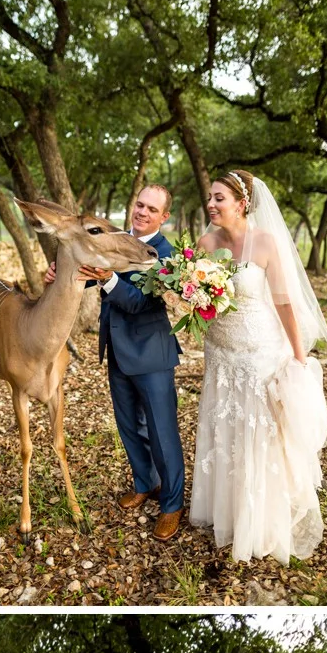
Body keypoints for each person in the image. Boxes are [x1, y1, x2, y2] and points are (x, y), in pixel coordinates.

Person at [184, 169, 327, 566]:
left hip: (258, 353)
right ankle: (227, 513)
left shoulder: (265, 242)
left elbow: (283, 301)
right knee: (223, 429)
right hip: (220, 353)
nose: (211, 204)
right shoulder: (205, 244)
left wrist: (298, 356)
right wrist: (191, 298)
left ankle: (260, 521)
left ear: (242, 202)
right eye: (210, 198)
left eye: (219, 198)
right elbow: (198, 298)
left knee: (258, 434)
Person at [86, 183, 186, 540]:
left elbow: (140, 302)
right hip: (116, 348)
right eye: (140, 204)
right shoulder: (114, 238)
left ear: (164, 216)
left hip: (151, 353)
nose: (142, 212)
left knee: (162, 432)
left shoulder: (166, 255)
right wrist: (61, 273)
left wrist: (108, 279)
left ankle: (172, 504)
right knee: (129, 425)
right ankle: (145, 482)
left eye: (151, 209)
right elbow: (88, 272)